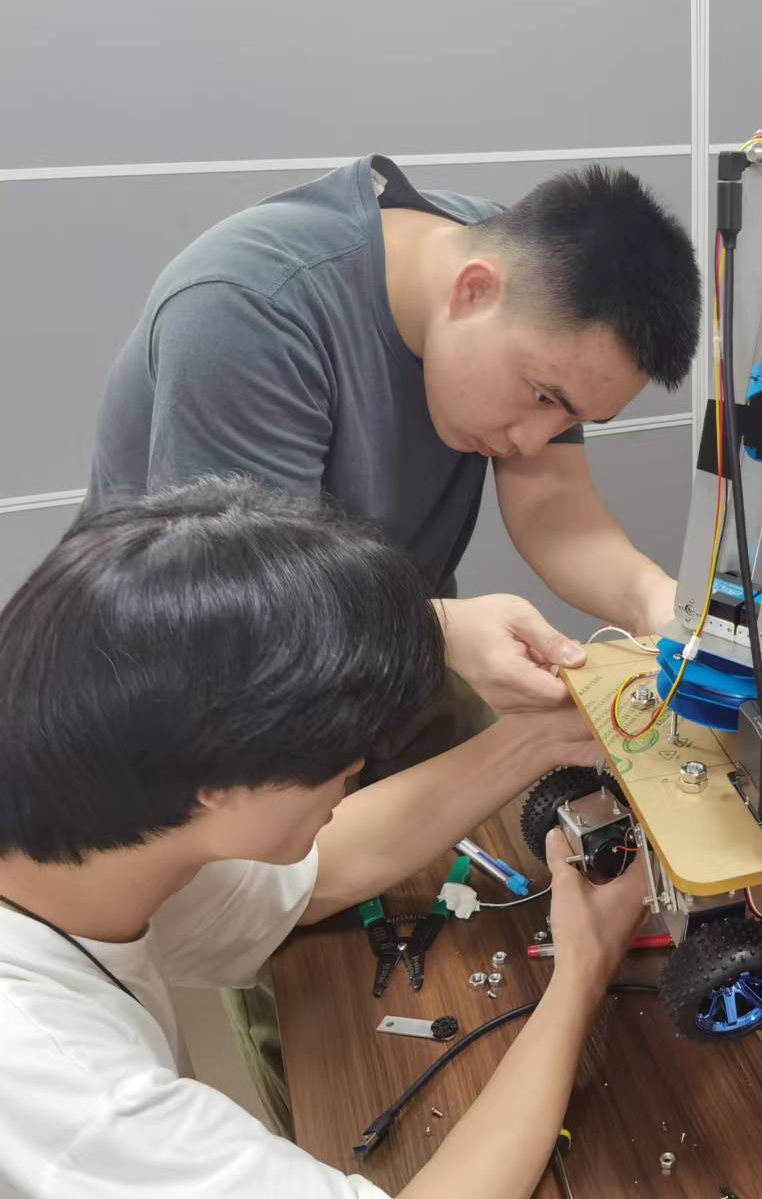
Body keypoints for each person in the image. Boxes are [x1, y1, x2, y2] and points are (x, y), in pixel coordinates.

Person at [0, 478, 649, 1199]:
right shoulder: (66, 1092)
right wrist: (581, 971)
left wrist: (544, 735)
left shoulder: (99, 835)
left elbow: (316, 875)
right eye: (342, 747)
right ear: (221, 780)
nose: (356, 764)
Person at [88, 155, 700, 717]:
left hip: (377, 647)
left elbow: (551, 502)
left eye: (570, 419)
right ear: (474, 291)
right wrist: (435, 633)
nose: (536, 441)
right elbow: (242, 606)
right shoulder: (247, 310)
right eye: (542, 396)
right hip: (186, 686)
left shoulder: (522, 268)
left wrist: (658, 600)